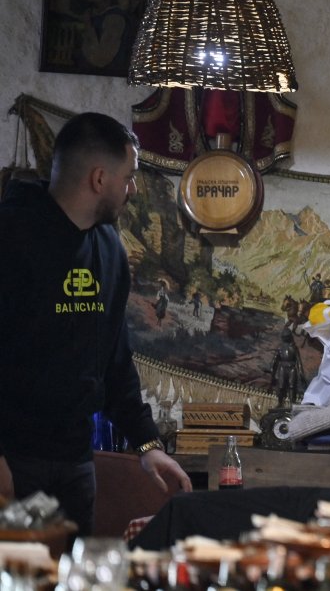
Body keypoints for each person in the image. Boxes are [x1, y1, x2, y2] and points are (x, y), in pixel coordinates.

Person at [0, 112, 192, 535]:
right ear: (99, 179)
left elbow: (114, 360)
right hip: (13, 460)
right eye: (129, 177)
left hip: (74, 461)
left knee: (75, 571)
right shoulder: (10, 236)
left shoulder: (109, 248)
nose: (133, 189)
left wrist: (148, 445)